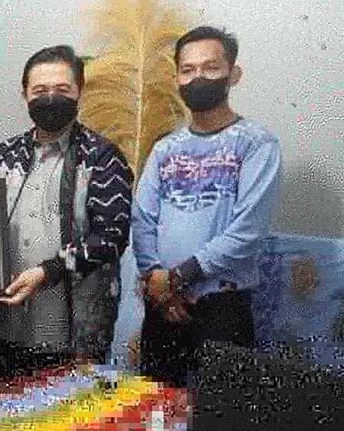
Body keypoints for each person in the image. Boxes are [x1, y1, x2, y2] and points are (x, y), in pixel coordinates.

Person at [132, 26, 282, 387]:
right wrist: (157, 281)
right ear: (177, 79)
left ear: (234, 74)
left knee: (223, 409)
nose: (198, 77)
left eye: (211, 67)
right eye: (188, 70)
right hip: (161, 304)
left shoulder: (257, 144)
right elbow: (142, 218)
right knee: (153, 406)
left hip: (222, 307)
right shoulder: (165, 148)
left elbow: (246, 232)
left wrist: (177, 278)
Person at [0, 45, 133, 382]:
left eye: (62, 89)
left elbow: (111, 237)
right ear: (25, 94)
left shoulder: (102, 157)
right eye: (40, 91)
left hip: (74, 332)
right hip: (7, 325)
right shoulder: (3, 156)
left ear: (80, 91)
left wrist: (48, 270)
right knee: (4, 408)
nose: (50, 98)